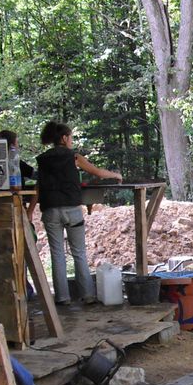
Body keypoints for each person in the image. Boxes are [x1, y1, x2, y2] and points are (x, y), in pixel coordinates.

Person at [34, 121, 121, 306]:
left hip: (50, 209)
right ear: (64, 138)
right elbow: (96, 172)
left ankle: (62, 297)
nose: (72, 140)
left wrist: (28, 211)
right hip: (71, 209)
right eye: (71, 137)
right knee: (79, 253)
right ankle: (88, 295)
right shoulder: (73, 157)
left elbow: (37, 187)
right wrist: (115, 175)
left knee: (57, 254)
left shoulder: (42, 159)